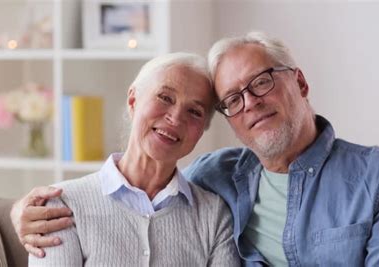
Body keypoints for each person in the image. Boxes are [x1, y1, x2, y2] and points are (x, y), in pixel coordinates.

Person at [12, 32, 379, 266]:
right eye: (232, 99)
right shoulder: (215, 179)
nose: (250, 102)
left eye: (262, 81)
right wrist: (21, 211)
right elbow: (143, 194)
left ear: (301, 83)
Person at [23, 52, 240, 266]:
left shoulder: (214, 215)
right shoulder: (61, 204)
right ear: (133, 100)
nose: (175, 118)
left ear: (202, 130)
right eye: (165, 97)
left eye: (194, 111)